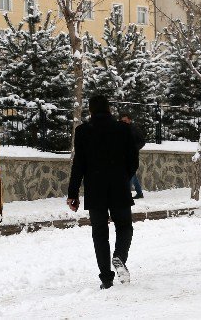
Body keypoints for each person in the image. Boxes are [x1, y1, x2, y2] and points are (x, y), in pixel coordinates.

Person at [67, 95, 139, 289]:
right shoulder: (123, 129)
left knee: (99, 234)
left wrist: (72, 194)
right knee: (124, 227)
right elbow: (134, 161)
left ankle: (106, 279)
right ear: (109, 109)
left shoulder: (82, 131)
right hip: (119, 187)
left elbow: (78, 165)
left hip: (95, 189)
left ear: (90, 111)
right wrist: (124, 177)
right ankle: (119, 257)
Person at [119, 111, 146, 199]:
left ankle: (127, 194)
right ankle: (139, 193)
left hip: (132, 156)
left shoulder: (135, 129)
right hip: (123, 155)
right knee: (132, 174)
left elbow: (142, 141)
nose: (123, 122)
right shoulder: (120, 129)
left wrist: (134, 148)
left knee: (129, 174)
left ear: (129, 120)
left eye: (125, 120)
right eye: (122, 120)